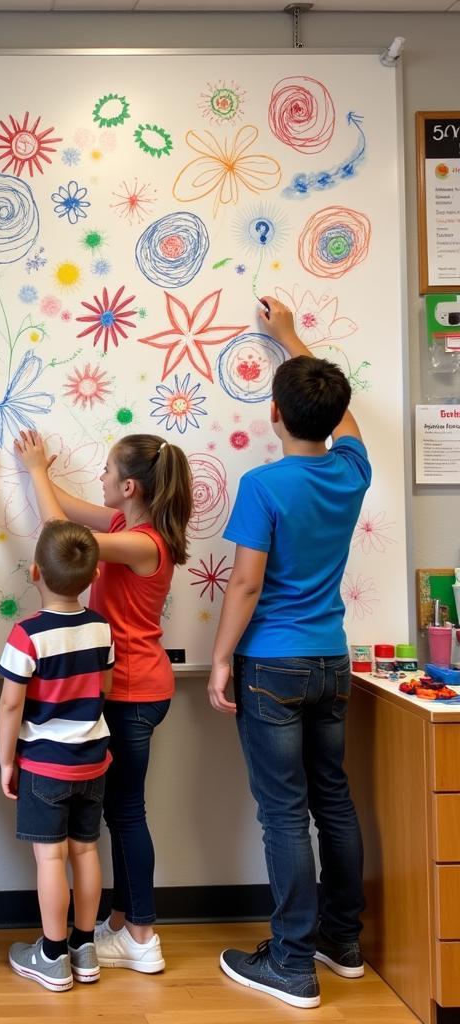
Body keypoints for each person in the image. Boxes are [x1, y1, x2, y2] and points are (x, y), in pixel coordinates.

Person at [208, 296, 371, 1010]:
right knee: (332, 800)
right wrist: (288, 338)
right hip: (332, 662)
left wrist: (219, 661)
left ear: (273, 415)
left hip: (272, 665)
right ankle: (343, 942)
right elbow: (348, 421)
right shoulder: (351, 472)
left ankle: (291, 963)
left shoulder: (262, 485)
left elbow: (244, 584)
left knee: (284, 813)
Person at [13, 428, 192, 974]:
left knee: (125, 814)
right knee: (117, 814)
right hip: (125, 688)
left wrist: (40, 469)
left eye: (109, 472)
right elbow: (68, 509)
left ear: (131, 485)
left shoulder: (144, 544)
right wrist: (36, 470)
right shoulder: (124, 524)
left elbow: (59, 531)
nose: (102, 478)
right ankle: (123, 921)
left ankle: (141, 935)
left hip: (131, 691)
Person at [0, 519, 114, 992]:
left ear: (34, 572)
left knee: (50, 860)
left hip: (45, 764)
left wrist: (7, 761)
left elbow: (10, 703)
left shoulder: (27, 635)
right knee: (85, 851)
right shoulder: (101, 628)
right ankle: (84, 947)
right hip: (93, 758)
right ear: (95, 575)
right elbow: (103, 687)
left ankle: (51, 954)